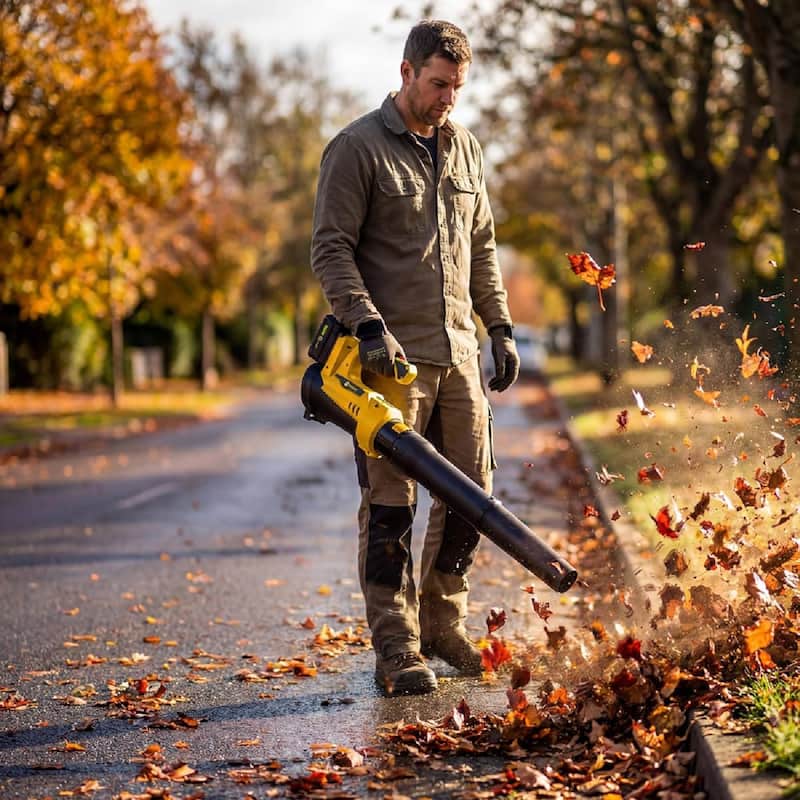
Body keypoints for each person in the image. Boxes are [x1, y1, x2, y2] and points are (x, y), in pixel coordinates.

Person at [310, 19, 519, 696]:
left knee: (473, 498)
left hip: (459, 356)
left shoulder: (466, 151)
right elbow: (331, 249)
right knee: (392, 512)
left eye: (457, 87)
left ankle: (440, 624)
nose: (447, 99)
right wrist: (364, 323)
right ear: (405, 73)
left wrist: (501, 327)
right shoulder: (357, 149)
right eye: (437, 84)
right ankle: (397, 650)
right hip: (386, 365)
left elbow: (481, 247)